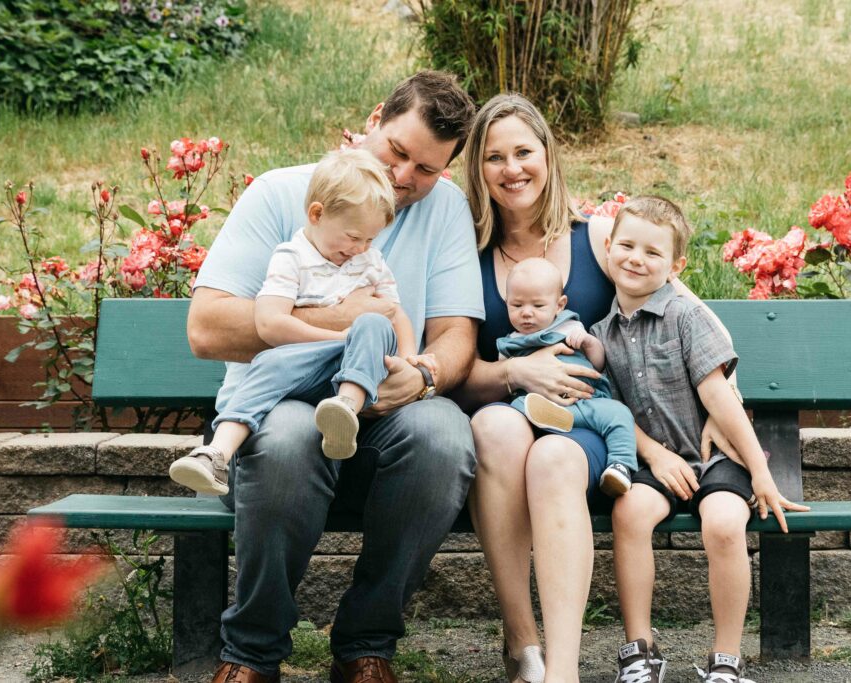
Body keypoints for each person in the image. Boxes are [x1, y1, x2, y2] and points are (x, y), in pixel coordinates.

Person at [187, 71, 480, 683]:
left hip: (386, 403)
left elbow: (456, 336)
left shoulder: (446, 208)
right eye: (398, 152)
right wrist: (342, 320)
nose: (405, 178)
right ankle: (252, 653)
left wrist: (422, 375)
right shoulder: (280, 194)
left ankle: (366, 646)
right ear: (374, 119)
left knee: (444, 437)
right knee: (290, 439)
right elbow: (208, 327)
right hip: (284, 394)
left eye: (427, 169)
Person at [454, 93, 737, 683]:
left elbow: (700, 323)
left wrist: (720, 400)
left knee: (555, 456)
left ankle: (562, 669)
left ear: (549, 155)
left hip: (591, 429)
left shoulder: (598, 239)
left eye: (524, 152)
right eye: (494, 156)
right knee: (493, 427)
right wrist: (516, 372)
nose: (512, 169)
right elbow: (459, 370)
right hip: (505, 411)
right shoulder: (465, 252)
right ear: (477, 167)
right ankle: (521, 642)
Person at [594, 197, 809, 683]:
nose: (635, 258)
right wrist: (653, 453)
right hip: (657, 463)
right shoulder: (599, 336)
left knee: (725, 525)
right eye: (626, 245)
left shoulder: (686, 317)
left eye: (653, 252)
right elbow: (608, 408)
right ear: (607, 248)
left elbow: (719, 396)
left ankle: (725, 661)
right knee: (628, 511)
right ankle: (639, 650)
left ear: (676, 266)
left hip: (716, 458)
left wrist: (759, 471)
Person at [170, 149, 439, 494]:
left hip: (361, 370)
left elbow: (395, 313)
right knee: (268, 363)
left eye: (371, 239)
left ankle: (344, 410)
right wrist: (335, 337)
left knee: (373, 323)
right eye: (354, 237)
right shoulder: (291, 259)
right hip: (307, 365)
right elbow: (270, 325)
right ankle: (215, 455)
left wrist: (406, 358)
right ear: (316, 214)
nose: (362, 248)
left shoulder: (369, 261)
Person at [495, 257, 637, 496]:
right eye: (517, 305)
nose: (526, 314)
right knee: (517, 405)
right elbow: (502, 381)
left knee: (620, 414)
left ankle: (620, 466)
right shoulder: (510, 343)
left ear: (559, 305)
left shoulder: (569, 328)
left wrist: (589, 343)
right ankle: (550, 417)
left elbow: (598, 362)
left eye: (538, 306)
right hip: (543, 406)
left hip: (587, 401)